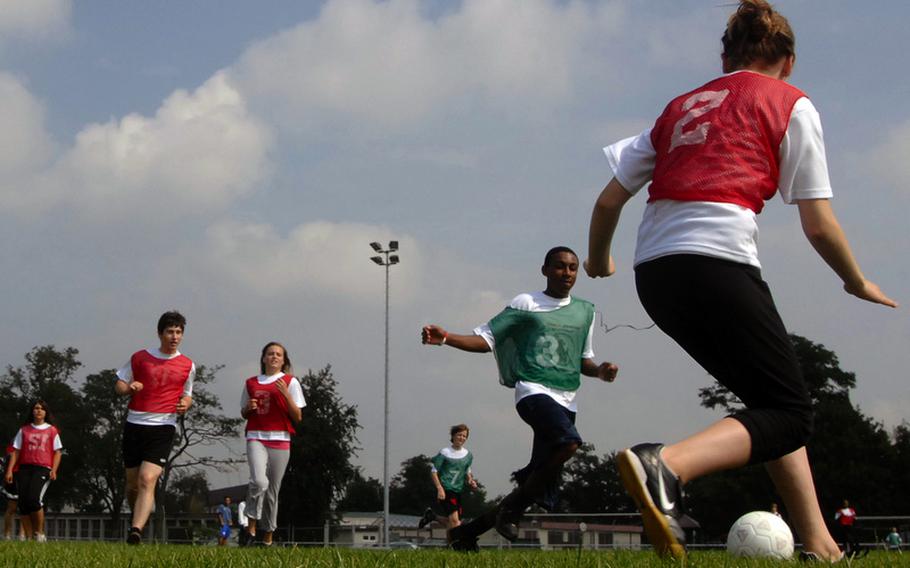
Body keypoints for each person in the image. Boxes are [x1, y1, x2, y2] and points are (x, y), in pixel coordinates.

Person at [585, 0, 897, 561]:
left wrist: (596, 261)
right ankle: (667, 466)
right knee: (792, 413)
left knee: (769, 402)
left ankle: (821, 547)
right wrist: (857, 282)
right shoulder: (790, 102)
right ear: (790, 61)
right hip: (716, 262)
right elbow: (819, 225)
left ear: (724, 57)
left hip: (655, 274)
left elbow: (609, 200)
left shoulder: (679, 106)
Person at [421, 246, 618, 551]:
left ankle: (465, 534)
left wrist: (600, 371)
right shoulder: (526, 303)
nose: (566, 273)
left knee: (536, 481)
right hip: (533, 391)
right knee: (568, 443)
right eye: (559, 266)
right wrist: (447, 338)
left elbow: (583, 360)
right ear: (545, 270)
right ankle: (510, 512)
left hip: (567, 400)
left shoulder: (586, 311)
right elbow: (487, 339)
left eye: (572, 268)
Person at [115, 310, 196, 545]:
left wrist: (185, 404)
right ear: (160, 333)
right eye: (170, 331)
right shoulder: (140, 357)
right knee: (132, 484)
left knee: (147, 478)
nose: (174, 336)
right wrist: (130, 388)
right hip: (135, 424)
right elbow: (119, 385)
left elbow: (188, 395)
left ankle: (136, 531)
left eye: (179, 332)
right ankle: (137, 516)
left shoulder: (188, 365)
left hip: (163, 426)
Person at [241, 342, 305, 547]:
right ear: (263, 358)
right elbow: (243, 412)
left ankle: (268, 536)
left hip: (280, 439)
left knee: (272, 491)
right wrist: (248, 408)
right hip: (256, 436)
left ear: (284, 360)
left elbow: (298, 416)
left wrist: (286, 394)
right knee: (259, 481)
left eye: (278, 354)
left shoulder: (290, 382)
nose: (274, 357)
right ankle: (250, 527)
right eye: (270, 354)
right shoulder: (251, 382)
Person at [4, 401, 63, 542]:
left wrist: (54, 470)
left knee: (34, 499)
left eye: (42, 409)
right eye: (36, 408)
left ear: (46, 412)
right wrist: (10, 470)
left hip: (43, 468)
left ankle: (40, 533)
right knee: (23, 503)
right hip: (24, 468)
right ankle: (29, 536)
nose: (39, 411)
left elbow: (58, 452)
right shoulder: (24, 430)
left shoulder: (52, 430)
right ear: (32, 411)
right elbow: (16, 451)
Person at [418, 424, 478, 531]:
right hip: (446, 489)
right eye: (459, 435)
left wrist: (470, 480)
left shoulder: (468, 455)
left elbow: (467, 470)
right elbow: (433, 471)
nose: (462, 438)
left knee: (455, 522)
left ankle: (432, 516)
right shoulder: (445, 452)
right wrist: (439, 488)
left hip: (458, 490)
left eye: (464, 436)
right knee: (455, 521)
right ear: (453, 435)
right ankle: (455, 545)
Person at [2, 441, 28, 541]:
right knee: (12, 507)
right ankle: (6, 534)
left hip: (27, 475)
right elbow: (10, 454)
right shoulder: (16, 441)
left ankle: (22, 535)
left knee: (25, 508)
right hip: (15, 474)